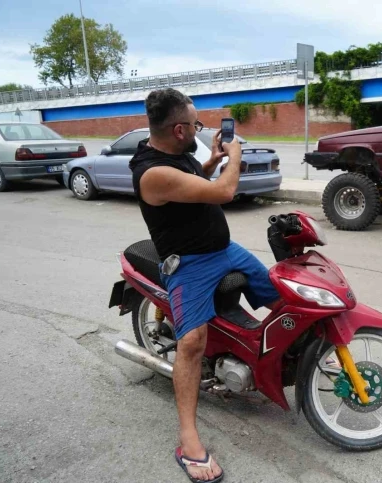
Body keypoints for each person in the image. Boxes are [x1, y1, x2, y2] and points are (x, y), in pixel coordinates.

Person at [129, 88, 281, 483]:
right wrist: (234, 158)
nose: (200, 129)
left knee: (278, 293)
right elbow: (224, 192)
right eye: (196, 124)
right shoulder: (153, 172)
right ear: (179, 129)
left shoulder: (175, 154)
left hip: (225, 250)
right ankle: (188, 438)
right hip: (189, 265)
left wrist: (212, 159)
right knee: (192, 341)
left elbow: (195, 180)